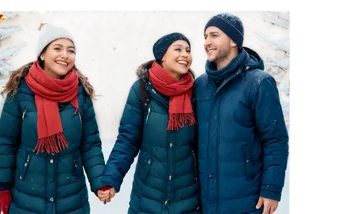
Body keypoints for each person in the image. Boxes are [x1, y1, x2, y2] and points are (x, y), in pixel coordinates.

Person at [0, 22, 106, 214]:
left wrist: (100, 181)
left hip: (71, 199)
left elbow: (90, 144)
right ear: (42, 54)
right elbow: (7, 142)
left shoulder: (80, 94)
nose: (65, 55)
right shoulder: (20, 92)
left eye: (71, 50)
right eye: (57, 48)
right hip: (26, 198)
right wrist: (3, 186)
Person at [194, 12, 289, 214]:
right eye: (205, 37)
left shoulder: (259, 83)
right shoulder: (200, 85)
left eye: (214, 35)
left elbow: (275, 139)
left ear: (234, 40)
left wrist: (271, 189)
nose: (207, 42)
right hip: (207, 201)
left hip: (248, 201)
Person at [98, 32, 201, 213]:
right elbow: (128, 140)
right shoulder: (142, 90)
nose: (185, 54)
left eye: (188, 50)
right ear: (162, 56)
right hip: (147, 197)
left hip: (188, 199)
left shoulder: (198, 92)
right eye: (178, 49)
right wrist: (111, 178)